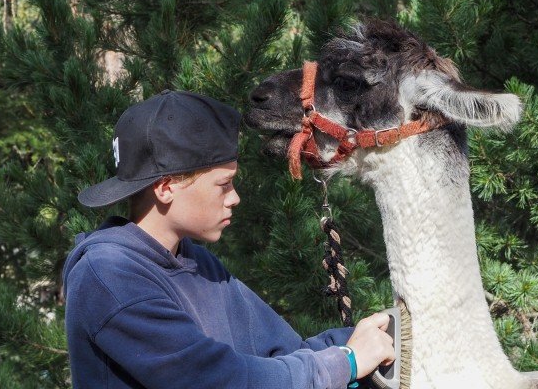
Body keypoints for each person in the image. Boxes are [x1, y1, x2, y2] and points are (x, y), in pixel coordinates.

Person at [62, 90, 394, 389]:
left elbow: (286, 353)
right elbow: (222, 379)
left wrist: (377, 336)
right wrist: (345, 362)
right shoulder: (108, 275)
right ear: (165, 187)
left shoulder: (197, 264)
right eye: (223, 184)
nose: (234, 198)